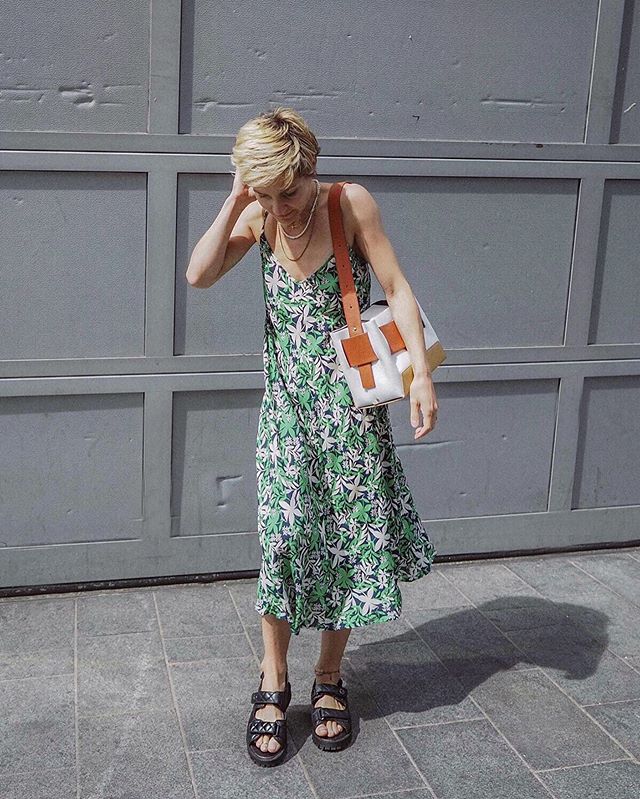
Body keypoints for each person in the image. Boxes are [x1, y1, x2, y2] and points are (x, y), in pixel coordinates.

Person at [186, 107, 439, 766]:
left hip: (352, 415)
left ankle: (329, 676)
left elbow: (398, 287)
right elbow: (199, 274)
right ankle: (273, 679)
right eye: (265, 193)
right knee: (283, 538)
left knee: (347, 542)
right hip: (288, 416)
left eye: (286, 190)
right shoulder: (259, 214)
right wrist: (239, 197)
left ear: (309, 168)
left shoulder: (347, 203)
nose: (280, 205)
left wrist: (419, 378)